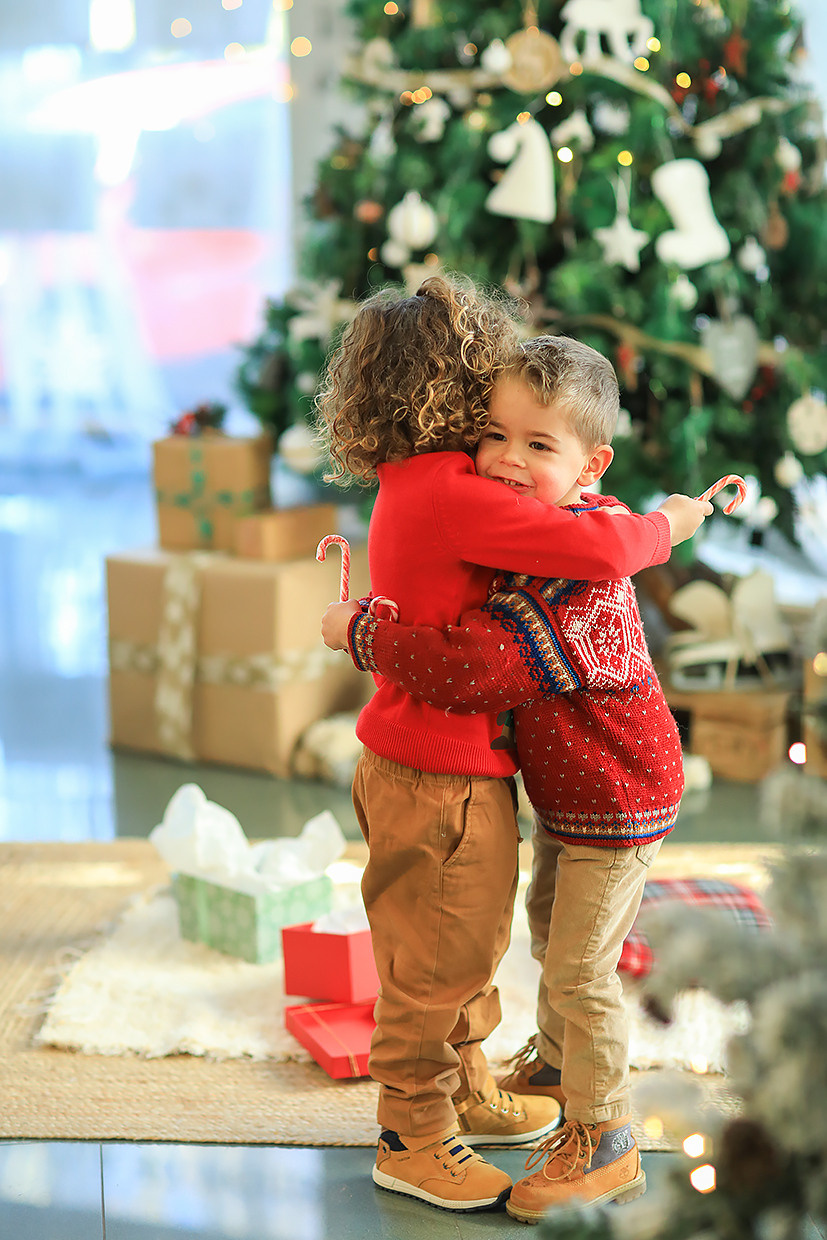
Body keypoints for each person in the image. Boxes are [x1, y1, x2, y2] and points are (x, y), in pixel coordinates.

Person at [317, 285, 709, 1215]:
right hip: (441, 764)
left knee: (467, 943)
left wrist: (361, 626)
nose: (503, 456)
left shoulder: (416, 480)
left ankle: (465, 1091)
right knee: (445, 954)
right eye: (493, 423)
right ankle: (414, 1133)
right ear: (456, 385)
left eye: (533, 440)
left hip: (497, 773)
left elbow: (571, 548)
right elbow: (579, 573)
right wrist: (669, 526)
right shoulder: (457, 490)